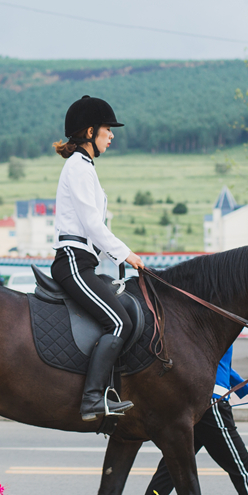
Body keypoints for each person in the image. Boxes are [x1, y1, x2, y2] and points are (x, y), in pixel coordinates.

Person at [50, 95, 146, 421]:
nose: (112, 135)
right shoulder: (77, 167)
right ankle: (92, 399)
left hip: (85, 259)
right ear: (90, 131)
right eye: (108, 129)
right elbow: (92, 224)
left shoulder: (86, 168)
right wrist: (127, 254)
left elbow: (94, 229)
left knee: (124, 318)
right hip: (73, 263)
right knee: (119, 322)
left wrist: (116, 257)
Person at [137, 345, 248, 495]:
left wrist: (247, 389)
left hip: (191, 400)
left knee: (172, 469)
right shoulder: (218, 320)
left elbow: (214, 359)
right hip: (211, 402)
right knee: (243, 470)